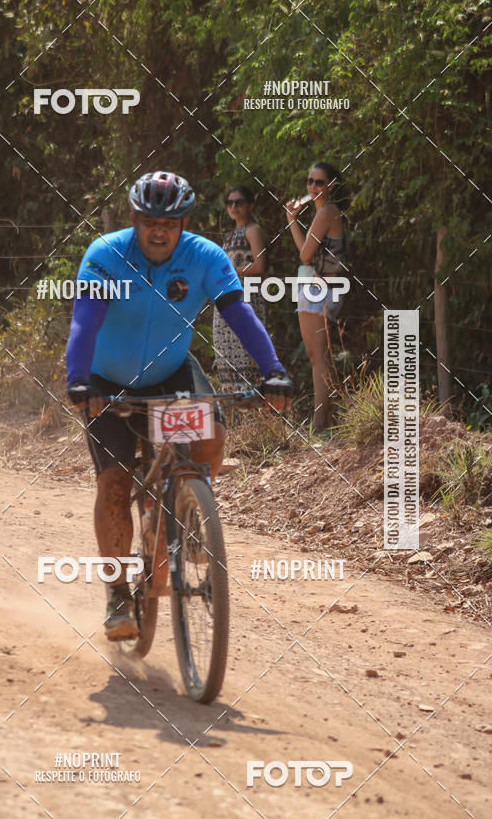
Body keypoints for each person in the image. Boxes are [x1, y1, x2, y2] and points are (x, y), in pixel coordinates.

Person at [65, 171, 293, 640]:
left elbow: (238, 311)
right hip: (109, 382)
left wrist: (273, 369)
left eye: (169, 221)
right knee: (113, 485)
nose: (159, 230)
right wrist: (79, 381)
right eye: (149, 220)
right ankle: (118, 596)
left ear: (185, 222)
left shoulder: (204, 257)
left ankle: (190, 507)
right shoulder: (106, 256)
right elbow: (84, 325)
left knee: (211, 429)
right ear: (133, 219)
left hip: (171, 373)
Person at [285, 162, 348, 432]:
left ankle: (319, 424)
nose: (312, 186)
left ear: (331, 186)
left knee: (318, 357)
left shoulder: (327, 212)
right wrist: (294, 221)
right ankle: (324, 421)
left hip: (321, 288)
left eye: (319, 182)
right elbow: (308, 253)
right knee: (317, 356)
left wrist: (292, 221)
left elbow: (305, 255)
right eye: (309, 180)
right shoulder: (323, 211)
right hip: (316, 285)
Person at [213, 185, 267, 389]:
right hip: (227, 295)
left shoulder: (253, 230)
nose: (233, 206)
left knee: (245, 350)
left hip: (247, 294)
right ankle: (234, 407)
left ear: (250, 205)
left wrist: (233, 271)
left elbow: (260, 265)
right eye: (230, 202)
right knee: (225, 352)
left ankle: (251, 405)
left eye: (239, 202)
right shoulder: (231, 234)